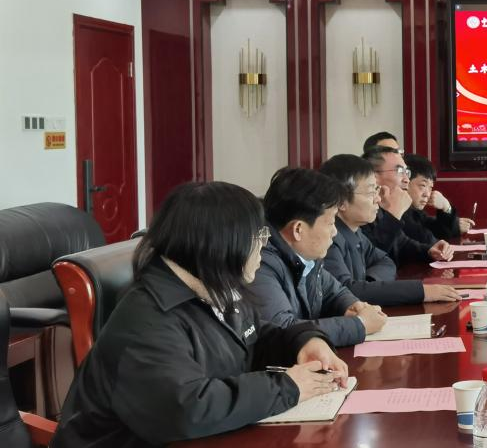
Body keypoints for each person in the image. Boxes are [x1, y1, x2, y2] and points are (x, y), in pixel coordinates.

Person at [51, 182, 348, 448]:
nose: (264, 245)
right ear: (220, 244)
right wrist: (288, 388)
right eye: (257, 236)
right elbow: (186, 408)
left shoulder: (214, 289)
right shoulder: (147, 317)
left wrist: (305, 341)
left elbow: (257, 337)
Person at [249, 167, 388, 347]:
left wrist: (354, 306)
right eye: (330, 223)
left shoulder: (306, 255)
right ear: (298, 229)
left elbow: (335, 291)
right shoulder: (260, 263)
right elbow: (283, 330)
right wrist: (359, 324)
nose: (335, 232)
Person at [319, 154, 461, 305]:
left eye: (376, 191)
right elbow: (346, 292)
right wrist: (421, 292)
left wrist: (370, 287)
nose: (378, 198)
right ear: (341, 201)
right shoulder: (327, 238)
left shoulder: (356, 232)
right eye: (371, 193)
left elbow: (386, 261)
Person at [360, 145, 453, 265]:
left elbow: (402, 244)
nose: (406, 180)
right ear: (374, 176)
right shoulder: (359, 210)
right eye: (400, 172)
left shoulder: (382, 207)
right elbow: (371, 258)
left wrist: (429, 251)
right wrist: (394, 213)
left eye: (406, 172)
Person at [402, 153, 473, 241]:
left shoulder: (415, 212)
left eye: (430, 187)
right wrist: (455, 226)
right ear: (405, 182)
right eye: (423, 185)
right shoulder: (400, 213)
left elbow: (438, 230)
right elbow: (427, 238)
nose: (427, 194)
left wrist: (446, 207)